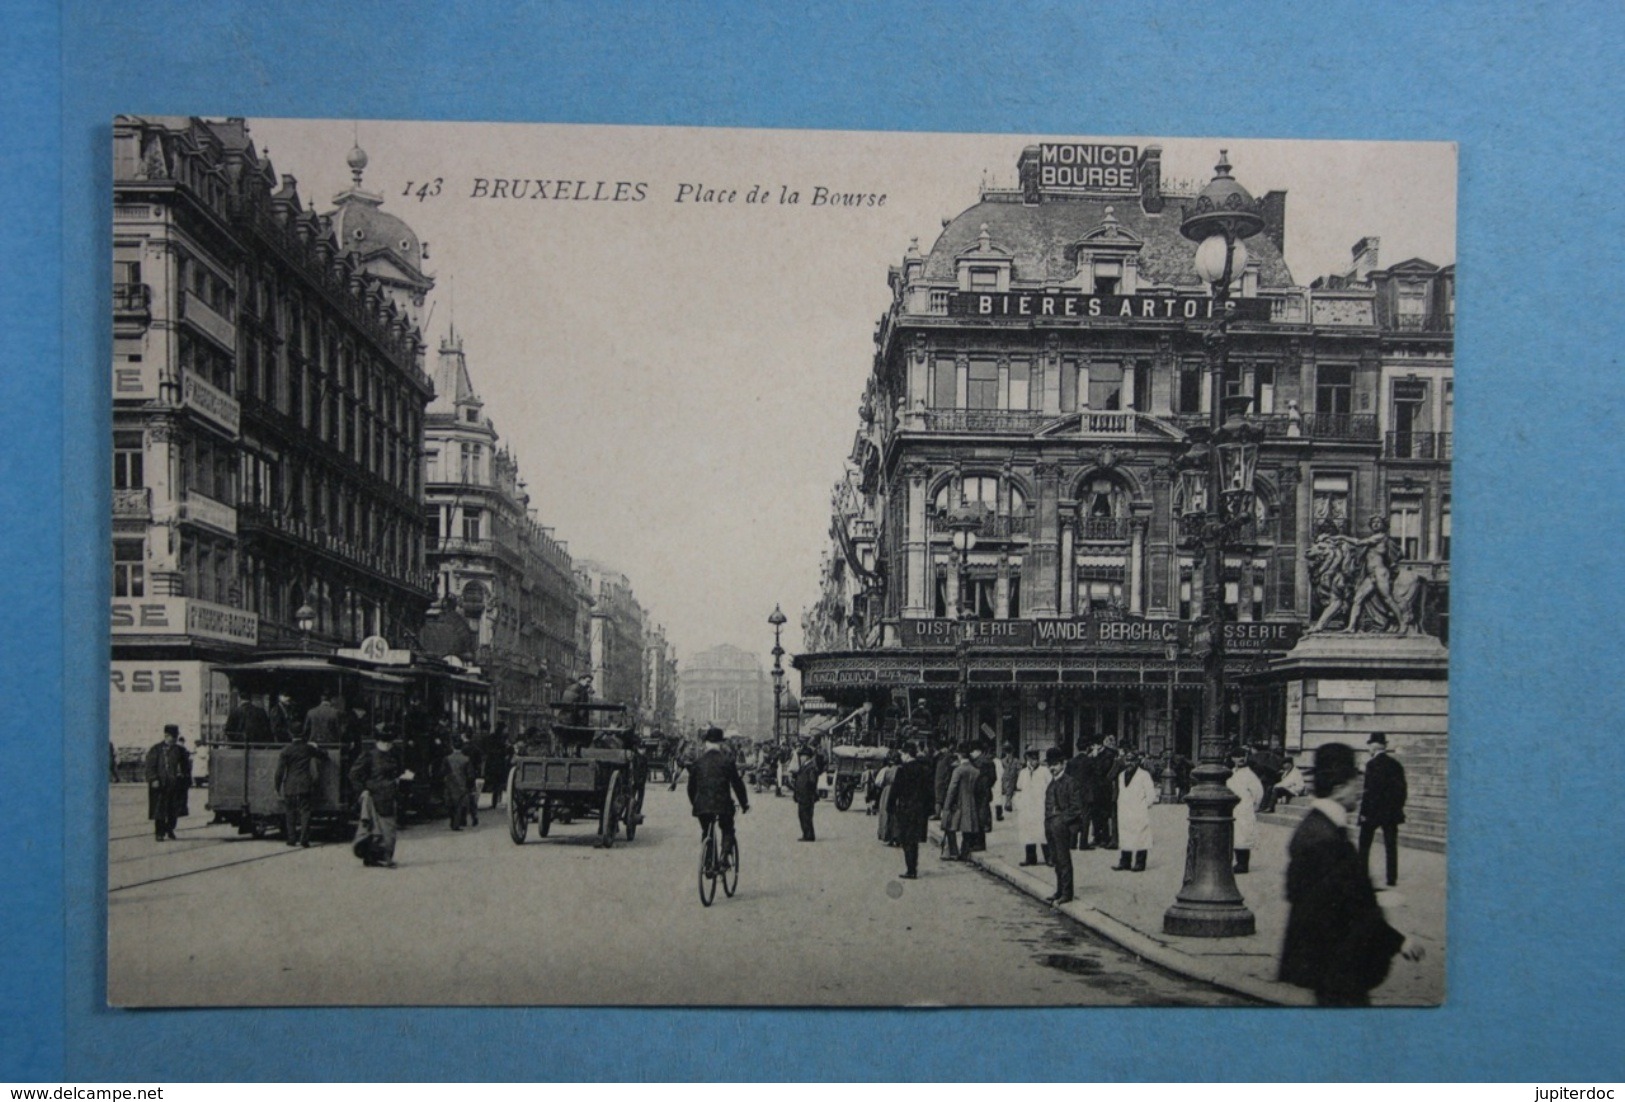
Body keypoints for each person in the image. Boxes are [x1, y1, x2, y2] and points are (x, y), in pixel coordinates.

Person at [1279, 742, 1423, 1006]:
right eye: (1355, 782)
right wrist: (1398, 942)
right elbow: (1349, 909)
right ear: (1338, 789)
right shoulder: (1325, 839)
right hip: (1339, 966)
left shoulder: (1316, 827)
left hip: (1330, 966)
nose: (1360, 789)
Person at [687, 726, 749, 853]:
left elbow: (690, 788)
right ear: (721, 743)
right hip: (723, 804)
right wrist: (744, 804)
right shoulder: (727, 761)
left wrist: (695, 803)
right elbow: (737, 784)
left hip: (702, 805)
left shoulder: (698, 762)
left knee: (706, 830)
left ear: (706, 744)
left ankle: (708, 861)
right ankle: (725, 857)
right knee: (727, 829)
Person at [349, 725, 404, 868]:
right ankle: (378, 858)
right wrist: (362, 790)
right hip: (374, 795)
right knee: (381, 829)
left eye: (389, 742)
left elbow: (400, 770)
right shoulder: (368, 755)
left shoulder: (395, 753)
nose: (387, 745)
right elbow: (354, 774)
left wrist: (401, 778)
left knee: (388, 829)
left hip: (390, 794)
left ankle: (381, 857)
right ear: (378, 741)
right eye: (384, 742)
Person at [1359, 732, 1408, 887]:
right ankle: (1391, 878)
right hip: (1391, 812)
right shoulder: (1396, 764)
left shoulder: (1371, 765)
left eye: (1369, 745)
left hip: (1373, 812)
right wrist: (1397, 808)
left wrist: (1364, 813)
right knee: (1391, 846)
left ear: (1375, 745)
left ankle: (1362, 876)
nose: (1368, 748)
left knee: (1364, 845)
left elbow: (1369, 791)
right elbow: (1402, 790)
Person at [273, 726, 330, 847]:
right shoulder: (308, 748)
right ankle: (304, 839)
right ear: (303, 734)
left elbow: (279, 771)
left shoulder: (286, 750)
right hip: (305, 784)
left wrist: (277, 787)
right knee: (305, 812)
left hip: (290, 785)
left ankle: (291, 839)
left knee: (290, 812)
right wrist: (317, 747)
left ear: (290, 734)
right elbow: (324, 755)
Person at [1043, 748, 1086, 904]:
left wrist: (1061, 820)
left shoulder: (1070, 782)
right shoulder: (1052, 783)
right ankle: (1059, 890)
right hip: (1051, 826)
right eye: (1050, 765)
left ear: (1063, 764)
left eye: (1055, 765)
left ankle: (1067, 893)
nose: (1052, 768)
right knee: (1055, 859)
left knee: (1063, 859)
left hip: (1063, 827)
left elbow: (1076, 808)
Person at [143, 724, 191, 840]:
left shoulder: (181, 750)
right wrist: (153, 779)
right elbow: (150, 766)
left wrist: (186, 780)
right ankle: (159, 833)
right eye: (172, 737)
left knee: (174, 810)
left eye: (176, 737)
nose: (174, 739)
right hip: (160, 785)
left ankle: (169, 828)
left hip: (176, 785)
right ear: (166, 735)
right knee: (159, 811)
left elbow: (186, 767)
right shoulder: (156, 749)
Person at [1112, 750, 1155, 872]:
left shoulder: (1144, 775)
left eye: (1132, 760)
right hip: (1125, 811)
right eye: (1127, 760)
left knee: (1141, 836)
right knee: (1126, 836)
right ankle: (1125, 861)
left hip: (1138, 811)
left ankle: (1140, 863)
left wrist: (1143, 806)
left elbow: (1151, 794)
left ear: (1137, 761)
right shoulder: (1121, 775)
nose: (1129, 763)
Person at [939, 743, 984, 860]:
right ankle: (965, 851)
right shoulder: (976, 770)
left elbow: (952, 789)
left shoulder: (958, 770)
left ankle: (953, 851)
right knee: (967, 828)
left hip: (958, 803)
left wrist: (946, 806)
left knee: (950, 826)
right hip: (972, 802)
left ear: (960, 756)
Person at [1227, 747, 1264, 874]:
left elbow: (1258, 792)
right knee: (1235, 836)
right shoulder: (1231, 773)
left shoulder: (1249, 775)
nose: (1240, 759)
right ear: (1232, 759)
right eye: (1237, 756)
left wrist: (1254, 806)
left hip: (1244, 808)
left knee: (1243, 837)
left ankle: (1243, 864)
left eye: (1243, 756)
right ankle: (1237, 862)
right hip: (1233, 809)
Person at [1012, 747, 1051, 867]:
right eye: (1029, 759)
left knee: (1043, 833)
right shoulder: (1023, 773)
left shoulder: (1044, 771)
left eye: (1034, 759)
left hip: (1040, 806)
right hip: (1027, 807)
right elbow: (1019, 788)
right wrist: (1018, 803)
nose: (1032, 762)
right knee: (1028, 833)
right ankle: (1030, 858)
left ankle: (1049, 858)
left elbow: (1050, 787)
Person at [442, 739, 476, 831]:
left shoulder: (447, 759)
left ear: (452, 747)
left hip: (450, 785)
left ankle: (453, 822)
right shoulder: (466, 759)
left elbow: (443, 772)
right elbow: (470, 775)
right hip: (462, 786)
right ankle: (456, 824)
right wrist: (470, 786)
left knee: (451, 805)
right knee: (459, 806)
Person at [791, 743, 819, 841]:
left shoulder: (810, 768)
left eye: (802, 757)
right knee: (802, 815)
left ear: (806, 757)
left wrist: (809, 793)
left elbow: (812, 782)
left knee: (806, 815)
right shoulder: (805, 767)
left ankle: (809, 835)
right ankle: (806, 834)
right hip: (803, 795)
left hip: (807, 795)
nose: (800, 759)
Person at [971, 741, 997, 851]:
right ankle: (979, 842)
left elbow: (990, 778)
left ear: (977, 751)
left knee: (979, 817)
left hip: (980, 792)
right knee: (980, 815)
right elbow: (993, 778)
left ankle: (979, 843)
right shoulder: (988, 761)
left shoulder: (980, 762)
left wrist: (983, 786)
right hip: (984, 792)